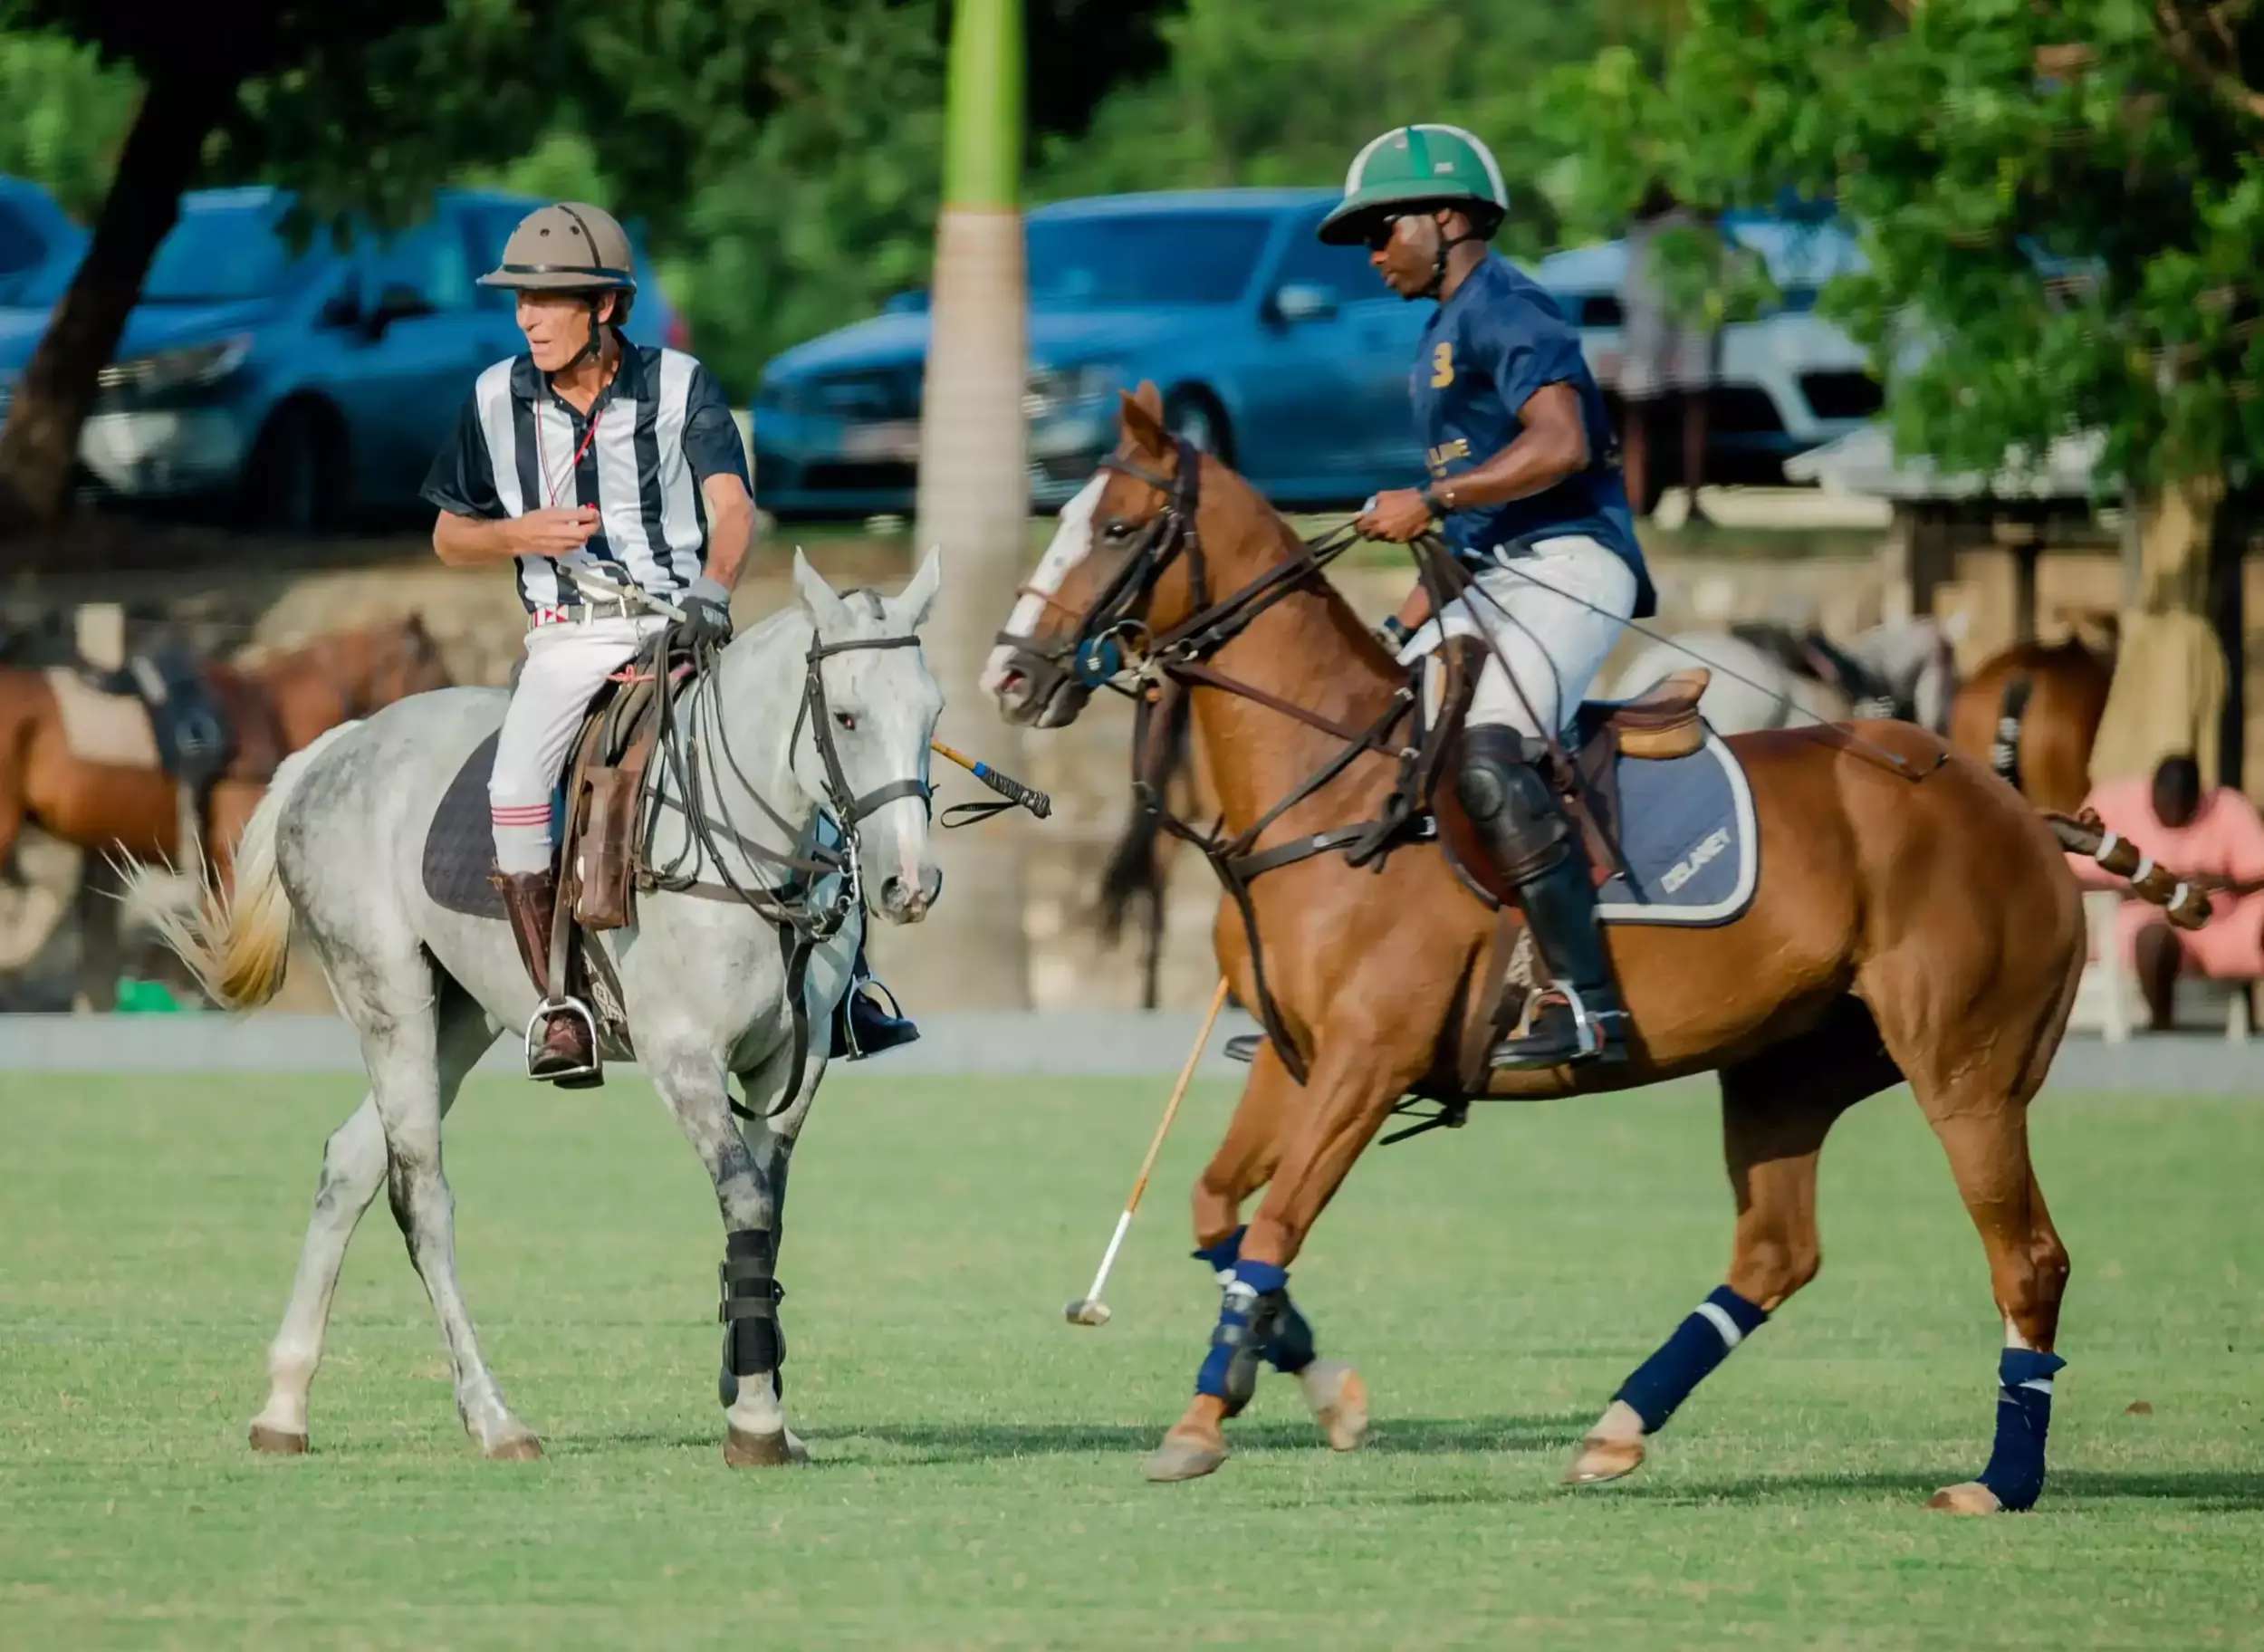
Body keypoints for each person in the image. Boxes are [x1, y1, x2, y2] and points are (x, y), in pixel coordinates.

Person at [421, 201, 915, 1081]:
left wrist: (712, 593)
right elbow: (449, 535)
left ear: (605, 307)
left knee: (802, 746)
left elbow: (733, 509)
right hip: (568, 638)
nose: (527, 317)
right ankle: (558, 1004)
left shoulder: (680, 387)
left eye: (549, 300)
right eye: (520, 301)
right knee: (516, 785)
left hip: (678, 621)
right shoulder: (495, 399)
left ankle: (848, 988)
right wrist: (517, 534)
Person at [1319, 124, 1658, 1069]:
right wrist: (1401, 621)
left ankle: (1590, 1006)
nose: (1373, 253)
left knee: (1485, 753)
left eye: (1381, 229)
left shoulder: (1507, 306)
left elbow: (1561, 444)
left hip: (1571, 564)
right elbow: (1467, 533)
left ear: (1450, 216)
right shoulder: (1441, 328)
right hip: (1496, 576)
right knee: (1376, 741)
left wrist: (1428, 498)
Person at [2069, 754, 2264, 1031]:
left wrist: (2223, 881)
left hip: (2218, 922)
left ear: (2200, 796)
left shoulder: (2227, 806)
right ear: (2152, 792)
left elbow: (2257, 873)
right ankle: (2163, 1030)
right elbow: (2070, 874)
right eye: (2166, 804)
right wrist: (2137, 886)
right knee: (2154, 940)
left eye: (2185, 807)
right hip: (2139, 919)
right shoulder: (2113, 803)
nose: (2174, 813)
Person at [1617, 181, 1722, 522]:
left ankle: (1693, 499)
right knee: (1640, 399)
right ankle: (1635, 501)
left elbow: (1714, 203)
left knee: (1696, 393)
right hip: (1650, 276)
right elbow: (1632, 203)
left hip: (1695, 271)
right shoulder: (1645, 165)